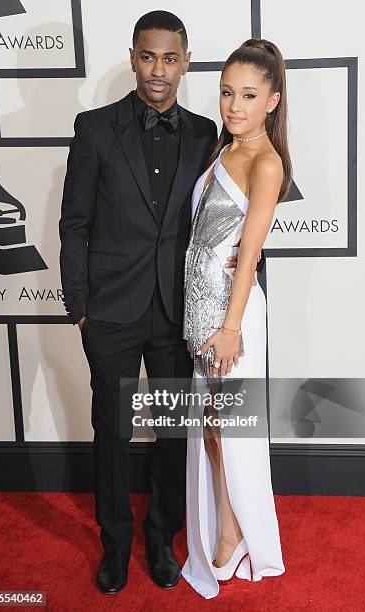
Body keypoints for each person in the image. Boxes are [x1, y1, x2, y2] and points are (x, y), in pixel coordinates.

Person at [59, 10, 240, 595]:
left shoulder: (204, 133)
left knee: (170, 434)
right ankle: (114, 545)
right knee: (110, 434)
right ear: (133, 57)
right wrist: (80, 305)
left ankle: (161, 538)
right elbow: (74, 223)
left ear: (185, 62)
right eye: (147, 56)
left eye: (170, 58)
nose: (157, 70)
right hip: (109, 311)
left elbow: (218, 219)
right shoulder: (94, 129)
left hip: (176, 313)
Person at [181, 39, 291, 599]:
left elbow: (247, 255)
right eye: (227, 92)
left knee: (230, 431)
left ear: (273, 100)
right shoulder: (221, 149)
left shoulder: (266, 162)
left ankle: (234, 531)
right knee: (209, 428)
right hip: (202, 311)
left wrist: (230, 327)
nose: (234, 105)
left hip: (233, 316)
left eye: (248, 95)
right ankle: (222, 523)